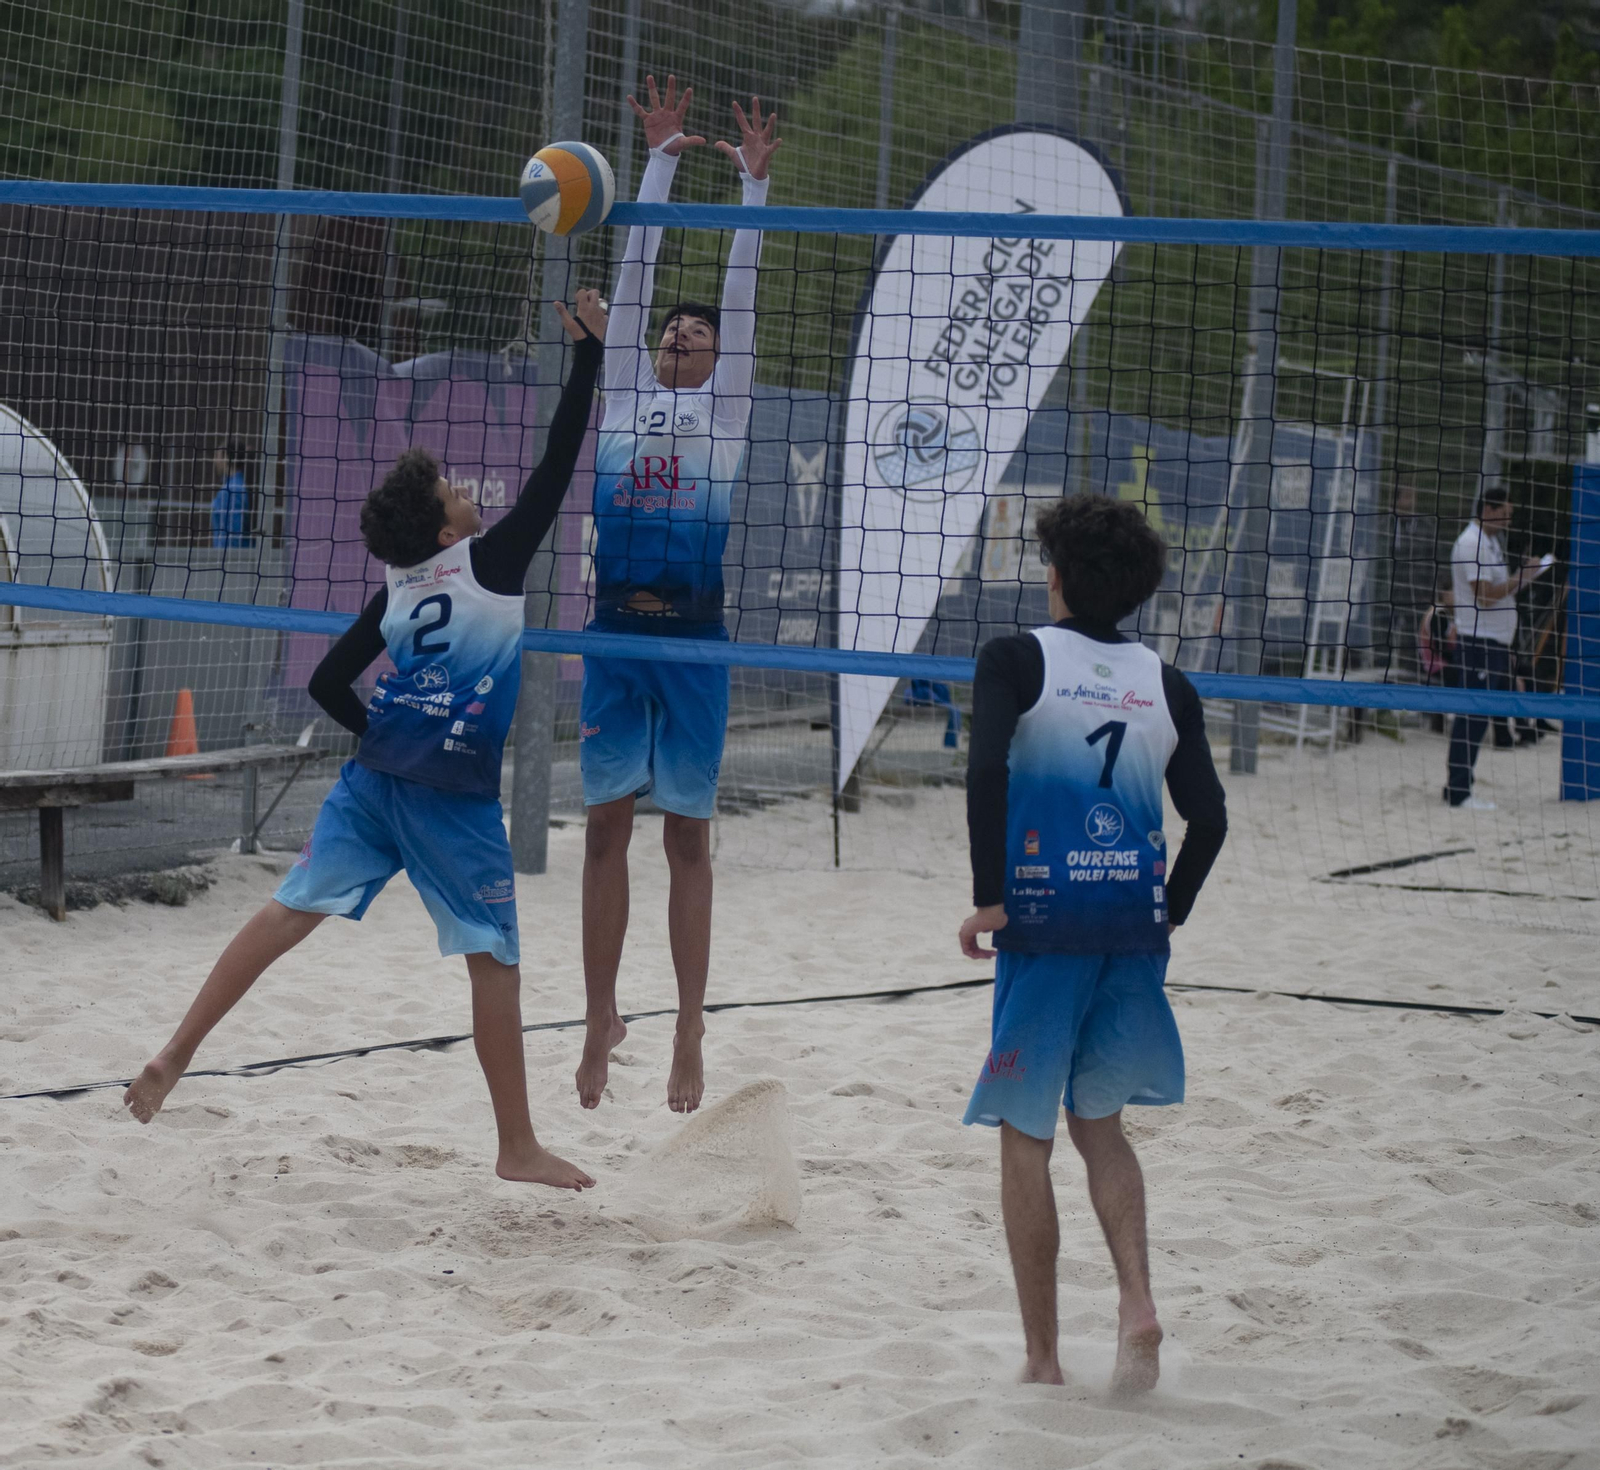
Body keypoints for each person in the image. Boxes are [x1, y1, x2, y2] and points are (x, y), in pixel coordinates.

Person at [124, 292, 609, 1193]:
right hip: (448, 796)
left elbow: (323, 684)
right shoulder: (490, 563)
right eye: (454, 492)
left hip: (374, 777)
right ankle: (516, 1147)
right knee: (494, 959)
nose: (467, 491)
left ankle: (172, 1055)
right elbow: (558, 465)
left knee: (284, 915)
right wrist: (588, 357)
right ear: (445, 528)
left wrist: (386, 732)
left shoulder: (395, 590)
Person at [957, 493, 1228, 1394]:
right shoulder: (1167, 682)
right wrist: (1171, 909)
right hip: (1129, 931)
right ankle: (1138, 1303)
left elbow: (986, 766)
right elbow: (1211, 818)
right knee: (1101, 1126)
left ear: (1059, 576)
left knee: (1024, 1134)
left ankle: (1042, 1359)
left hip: (1044, 928)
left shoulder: (1015, 658)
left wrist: (990, 899)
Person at [576, 75, 779, 1116]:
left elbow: (736, 298)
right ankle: (601, 1014)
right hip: (614, 633)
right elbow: (636, 262)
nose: (683, 337)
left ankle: (688, 1031)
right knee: (604, 832)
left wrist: (751, 189)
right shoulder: (626, 391)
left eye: (696, 336)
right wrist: (653, 160)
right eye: (671, 334)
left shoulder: (727, 413)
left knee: (685, 840)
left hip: (695, 638)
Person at [1444, 486, 1552, 810]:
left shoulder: (1490, 542)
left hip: (1494, 642)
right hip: (1478, 642)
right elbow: (1486, 596)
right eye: (1504, 512)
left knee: (1479, 716)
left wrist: (1523, 578)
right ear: (1488, 510)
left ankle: (1459, 787)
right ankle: (1459, 792)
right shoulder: (1470, 542)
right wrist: (1524, 577)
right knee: (1472, 717)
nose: (1508, 518)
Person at [210, 436, 253, 548]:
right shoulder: (231, 486)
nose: (215, 460)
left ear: (227, 457)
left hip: (231, 559)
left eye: (217, 456)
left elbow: (234, 532)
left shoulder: (233, 489)